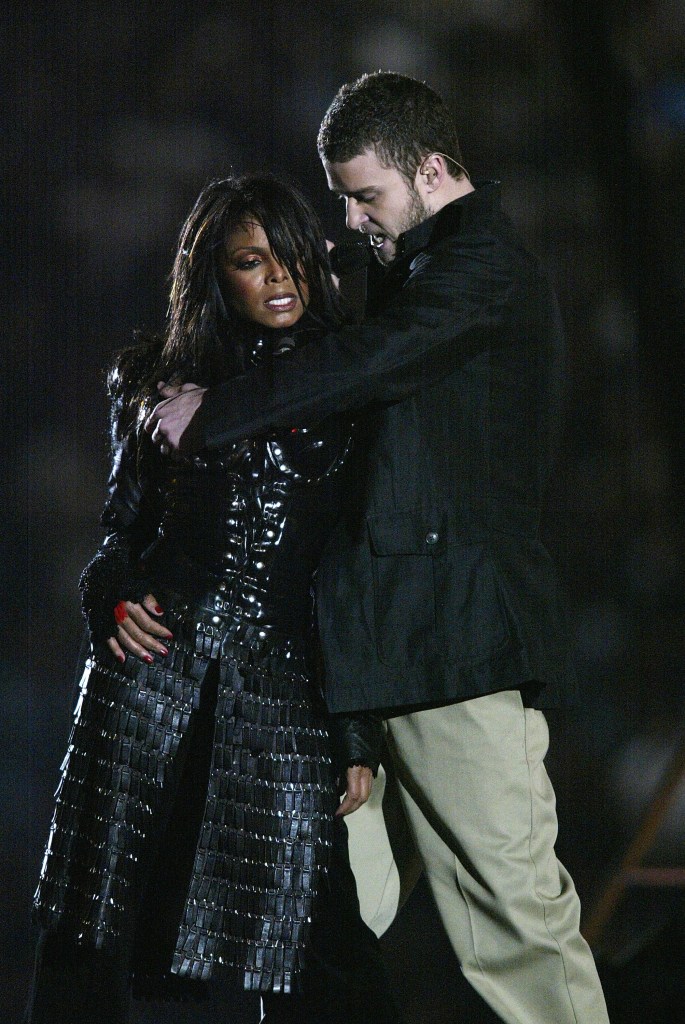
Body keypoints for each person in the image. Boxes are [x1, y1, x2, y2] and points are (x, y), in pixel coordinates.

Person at [146, 73, 611, 1024]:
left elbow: (373, 360)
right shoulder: (410, 273)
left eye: (367, 196)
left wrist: (215, 415)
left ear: (433, 170)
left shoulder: (483, 268)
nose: (353, 219)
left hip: (454, 652)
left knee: (511, 920)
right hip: (369, 658)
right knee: (327, 917)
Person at [27, 173, 399, 1024]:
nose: (277, 279)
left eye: (292, 259)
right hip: (150, 677)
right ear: (212, 274)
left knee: (318, 938)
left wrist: (351, 729)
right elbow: (118, 532)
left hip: (279, 693)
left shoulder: (347, 390)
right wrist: (112, 598)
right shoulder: (152, 378)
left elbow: (343, 572)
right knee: (89, 921)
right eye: (249, 261)